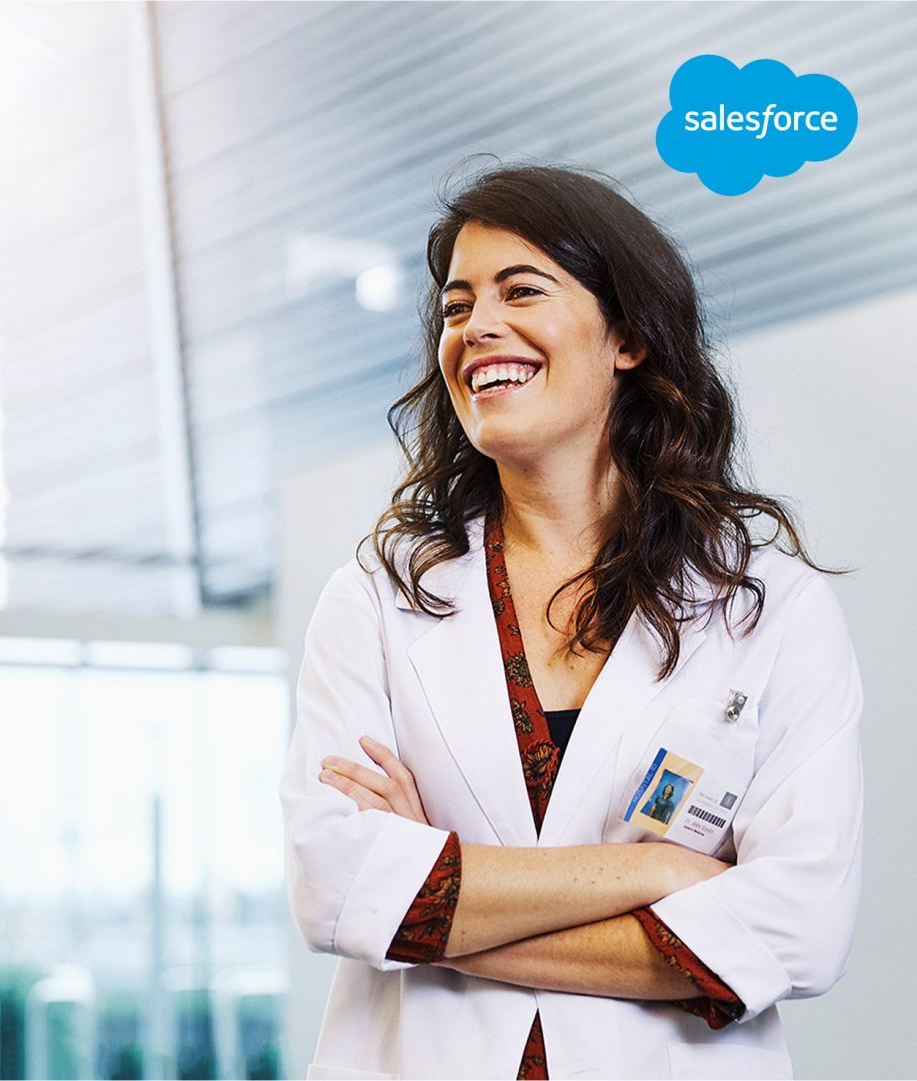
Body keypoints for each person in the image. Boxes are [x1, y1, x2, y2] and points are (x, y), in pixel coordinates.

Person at [279, 163, 863, 1079]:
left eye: (522, 290)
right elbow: (334, 886)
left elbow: (800, 930)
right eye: (456, 305)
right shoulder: (377, 600)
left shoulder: (771, 610)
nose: (477, 327)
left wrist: (437, 908)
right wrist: (658, 874)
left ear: (626, 335)